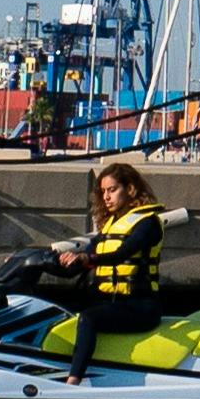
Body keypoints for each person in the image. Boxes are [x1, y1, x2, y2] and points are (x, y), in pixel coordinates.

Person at [50, 162, 167, 386]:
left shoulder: (148, 223)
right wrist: (47, 260)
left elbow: (122, 254)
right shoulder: (111, 226)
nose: (106, 197)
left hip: (141, 307)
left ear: (130, 190)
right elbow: (85, 255)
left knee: (89, 318)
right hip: (112, 301)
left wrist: (88, 259)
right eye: (103, 191)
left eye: (112, 190)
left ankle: (72, 383)